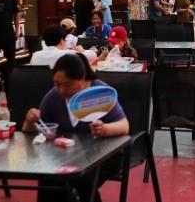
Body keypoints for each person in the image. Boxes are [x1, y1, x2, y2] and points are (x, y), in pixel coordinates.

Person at [23, 53, 129, 202]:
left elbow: (124, 126)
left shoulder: (100, 93)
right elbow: (32, 130)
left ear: (82, 78)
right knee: (48, 179)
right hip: (67, 155)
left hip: (103, 155)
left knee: (81, 179)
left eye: (68, 85)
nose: (61, 90)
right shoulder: (53, 97)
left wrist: (104, 129)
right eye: (57, 84)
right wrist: (29, 121)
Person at [30, 26, 96, 68]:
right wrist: (81, 50)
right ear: (62, 40)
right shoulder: (68, 54)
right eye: (65, 40)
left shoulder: (35, 55)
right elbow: (93, 55)